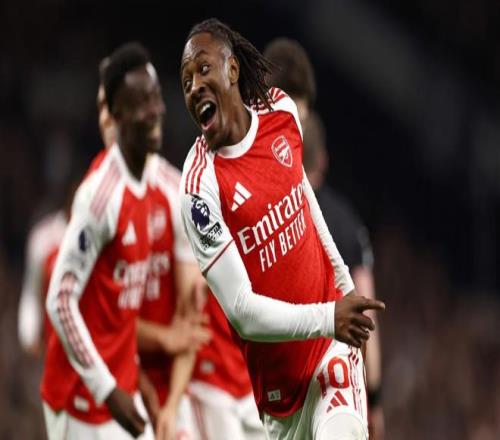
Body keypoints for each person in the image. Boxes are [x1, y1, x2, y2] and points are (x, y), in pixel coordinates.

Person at [179, 18, 385, 440]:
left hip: (331, 355)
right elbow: (242, 311)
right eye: (185, 82)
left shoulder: (281, 111)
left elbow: (309, 209)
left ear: (232, 68)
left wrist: (344, 290)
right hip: (278, 397)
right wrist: (328, 317)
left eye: (203, 69)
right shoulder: (199, 187)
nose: (194, 86)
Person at [42, 42, 168, 440]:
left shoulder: (149, 182)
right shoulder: (101, 196)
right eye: (142, 103)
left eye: (156, 97)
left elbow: (117, 310)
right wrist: (106, 390)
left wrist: (134, 379)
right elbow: (60, 300)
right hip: (81, 400)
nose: (155, 110)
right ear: (117, 115)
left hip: (122, 388)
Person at [264, 38, 385, 439]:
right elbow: (365, 315)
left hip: (265, 386)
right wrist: (374, 398)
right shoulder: (345, 223)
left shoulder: (238, 187)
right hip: (308, 383)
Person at [97, 53, 212, 440]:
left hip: (170, 386)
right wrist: (161, 337)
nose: (107, 119)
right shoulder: (95, 203)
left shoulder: (175, 193)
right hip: (113, 380)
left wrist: (171, 406)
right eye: (102, 109)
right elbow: (101, 324)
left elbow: (189, 325)